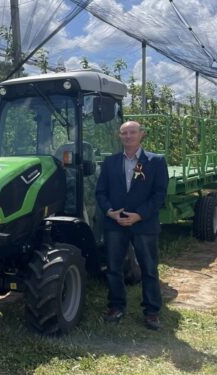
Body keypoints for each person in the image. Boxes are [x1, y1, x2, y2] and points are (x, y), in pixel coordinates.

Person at [95, 120, 169, 330]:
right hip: (115, 224)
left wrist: (139, 215)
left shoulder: (155, 161)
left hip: (143, 225)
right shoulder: (110, 162)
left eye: (132, 132)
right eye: (124, 133)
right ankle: (116, 306)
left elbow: (159, 194)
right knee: (114, 268)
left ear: (141, 135)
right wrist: (110, 212)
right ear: (120, 136)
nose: (128, 136)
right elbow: (100, 192)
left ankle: (152, 311)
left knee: (149, 269)